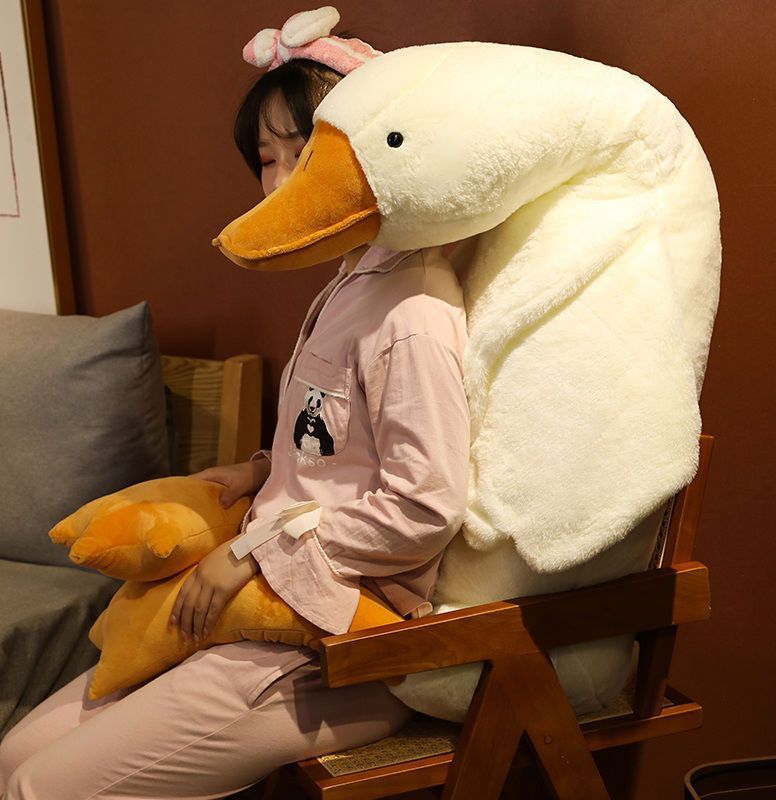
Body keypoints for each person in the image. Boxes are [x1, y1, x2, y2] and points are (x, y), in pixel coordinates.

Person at [0, 9, 470, 799]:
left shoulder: (411, 311)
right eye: (266, 159)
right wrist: (260, 472)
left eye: (302, 151)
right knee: (15, 754)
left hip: (337, 640)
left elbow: (425, 505)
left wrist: (254, 550)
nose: (280, 183)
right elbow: (340, 446)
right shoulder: (353, 282)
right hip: (262, 609)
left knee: (42, 788)